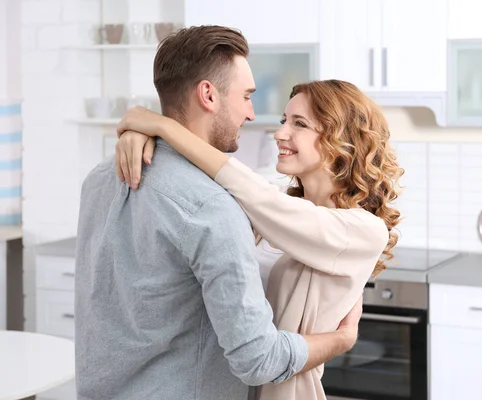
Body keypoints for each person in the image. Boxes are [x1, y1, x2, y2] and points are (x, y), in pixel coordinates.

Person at [75, 25, 363, 400]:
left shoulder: (100, 178)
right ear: (208, 95)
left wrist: (152, 128)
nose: (251, 113)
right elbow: (258, 360)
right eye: (246, 96)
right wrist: (341, 339)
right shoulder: (212, 207)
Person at [115, 79, 404, 400]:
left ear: (341, 138)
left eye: (300, 124)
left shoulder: (362, 230)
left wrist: (161, 126)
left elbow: (250, 189)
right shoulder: (275, 212)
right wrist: (140, 133)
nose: (280, 134)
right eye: (284, 121)